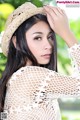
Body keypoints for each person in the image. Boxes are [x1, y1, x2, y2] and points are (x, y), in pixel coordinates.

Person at [0, 2, 80, 120]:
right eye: (37, 38)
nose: (48, 45)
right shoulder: (29, 76)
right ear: (16, 42)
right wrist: (66, 33)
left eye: (50, 37)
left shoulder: (16, 78)